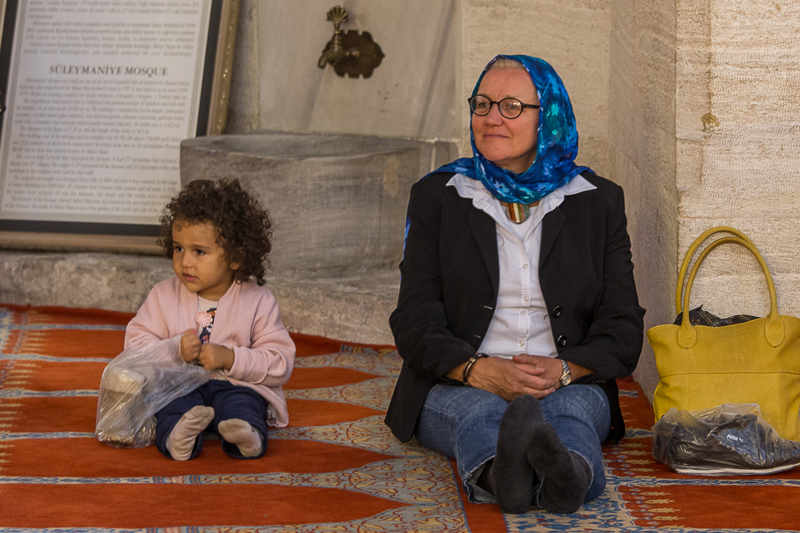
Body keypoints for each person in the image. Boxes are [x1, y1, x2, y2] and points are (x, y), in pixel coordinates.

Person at [385, 55, 645, 514]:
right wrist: (475, 370)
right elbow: (413, 319)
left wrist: (563, 370)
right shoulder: (438, 196)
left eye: (510, 106)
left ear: (550, 117)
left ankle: (570, 478)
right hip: (457, 381)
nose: (490, 119)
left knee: (572, 414)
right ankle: (499, 476)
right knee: (479, 414)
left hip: (566, 381)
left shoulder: (598, 202)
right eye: (482, 104)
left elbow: (622, 328)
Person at [125, 179, 296, 461]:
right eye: (179, 248)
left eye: (199, 252)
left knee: (244, 404)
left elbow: (280, 362)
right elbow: (135, 345)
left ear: (236, 257)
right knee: (172, 406)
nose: (185, 262)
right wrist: (174, 350)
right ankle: (178, 439)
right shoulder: (162, 295)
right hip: (180, 385)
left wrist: (231, 359)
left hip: (237, 385)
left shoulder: (258, 301)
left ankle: (246, 435)